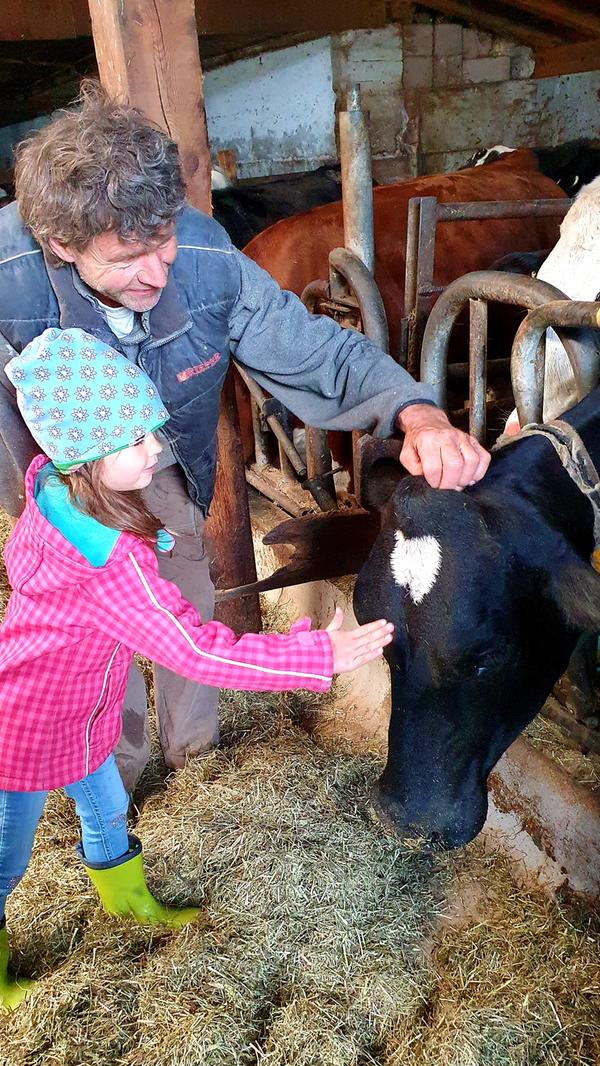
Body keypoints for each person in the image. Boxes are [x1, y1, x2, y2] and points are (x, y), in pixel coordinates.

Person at [0, 81, 490, 792]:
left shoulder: (205, 259)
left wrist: (415, 412)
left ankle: (194, 767)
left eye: (163, 237)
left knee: (185, 597)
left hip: (158, 459)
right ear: (60, 244)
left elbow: (319, 351)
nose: (157, 270)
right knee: (93, 636)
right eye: (127, 255)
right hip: (55, 478)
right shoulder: (9, 282)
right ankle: (114, 773)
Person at [0, 326, 393, 1010]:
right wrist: (315, 656)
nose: (157, 445)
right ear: (84, 457)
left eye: (153, 426)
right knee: (6, 858)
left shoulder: (55, 495)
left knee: (108, 810)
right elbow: (198, 650)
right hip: (22, 732)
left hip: (80, 712)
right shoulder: (109, 565)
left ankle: (128, 905)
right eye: (135, 439)